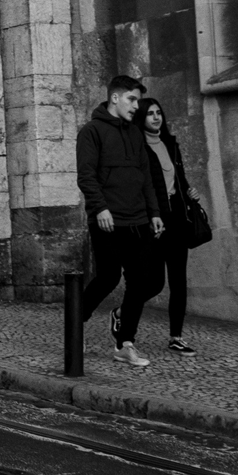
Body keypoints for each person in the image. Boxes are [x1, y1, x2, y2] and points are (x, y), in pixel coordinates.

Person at [75, 74, 164, 367]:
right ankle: (75, 324)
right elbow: (86, 176)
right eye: (132, 99)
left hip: (138, 219)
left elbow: (146, 178)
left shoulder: (135, 134)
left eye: (137, 100)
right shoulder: (91, 132)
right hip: (107, 220)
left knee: (140, 281)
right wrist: (99, 208)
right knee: (108, 277)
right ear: (115, 98)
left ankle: (125, 344)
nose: (136, 106)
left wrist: (154, 213)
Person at [138, 97, 199, 356]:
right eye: (150, 113)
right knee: (154, 283)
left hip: (176, 218)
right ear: (141, 118)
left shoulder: (170, 143)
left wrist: (189, 191)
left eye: (158, 112)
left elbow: (179, 178)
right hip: (154, 219)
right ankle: (123, 313)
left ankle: (176, 336)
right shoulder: (137, 146)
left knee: (178, 280)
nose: (156, 117)